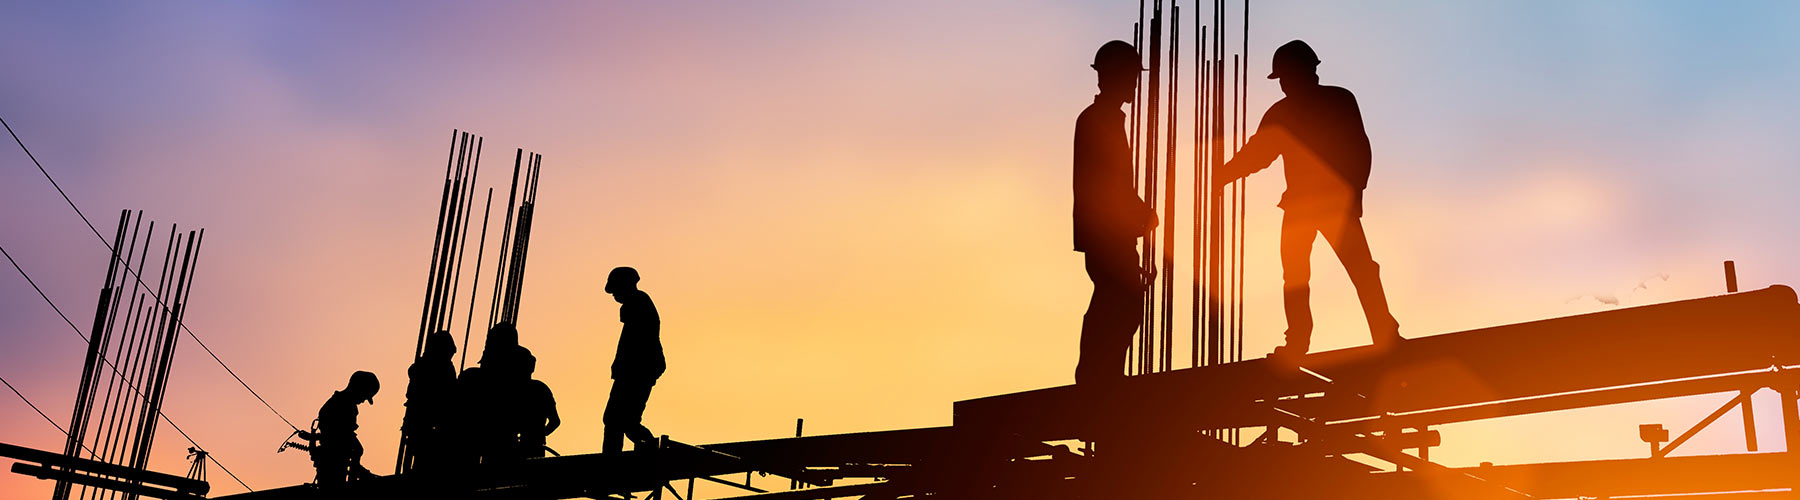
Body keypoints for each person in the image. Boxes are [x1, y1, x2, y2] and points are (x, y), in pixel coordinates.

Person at [1215, 40, 1402, 359]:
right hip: (1306, 204)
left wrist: (1355, 192)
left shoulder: (1332, 102)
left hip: (1327, 203)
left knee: (1350, 271)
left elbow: (1358, 148)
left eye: (1285, 77)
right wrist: (1225, 174)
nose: (1283, 85)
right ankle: (1304, 341)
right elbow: (1259, 154)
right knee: (1303, 274)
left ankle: (1379, 334)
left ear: (1303, 72)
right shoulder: (1291, 110)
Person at [1072, 40, 1158, 384]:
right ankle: (1097, 378)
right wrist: (1142, 212)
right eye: (1131, 77)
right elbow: (1108, 180)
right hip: (1106, 233)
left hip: (1111, 233)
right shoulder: (1099, 120)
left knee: (1120, 305)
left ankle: (1102, 377)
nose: (1134, 84)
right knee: (1119, 305)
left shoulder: (1104, 118)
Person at [602, 266, 664, 453]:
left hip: (638, 370)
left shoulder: (637, 304)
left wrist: (621, 367)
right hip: (636, 369)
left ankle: (615, 462)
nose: (614, 297)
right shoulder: (638, 303)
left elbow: (633, 343)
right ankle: (647, 452)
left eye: (616, 291)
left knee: (618, 420)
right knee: (621, 421)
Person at [313, 371, 379, 489]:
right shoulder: (345, 407)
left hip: (333, 463)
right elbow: (344, 438)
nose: (364, 400)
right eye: (365, 395)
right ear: (359, 388)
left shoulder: (335, 403)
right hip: (333, 465)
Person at [401, 331, 456, 472]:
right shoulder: (437, 368)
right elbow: (446, 397)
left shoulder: (422, 367)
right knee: (425, 462)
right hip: (429, 426)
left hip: (421, 424)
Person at [514, 347, 560, 458]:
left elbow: (555, 421)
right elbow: (555, 421)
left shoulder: (539, 389)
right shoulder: (540, 388)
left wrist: (536, 436)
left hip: (532, 448)